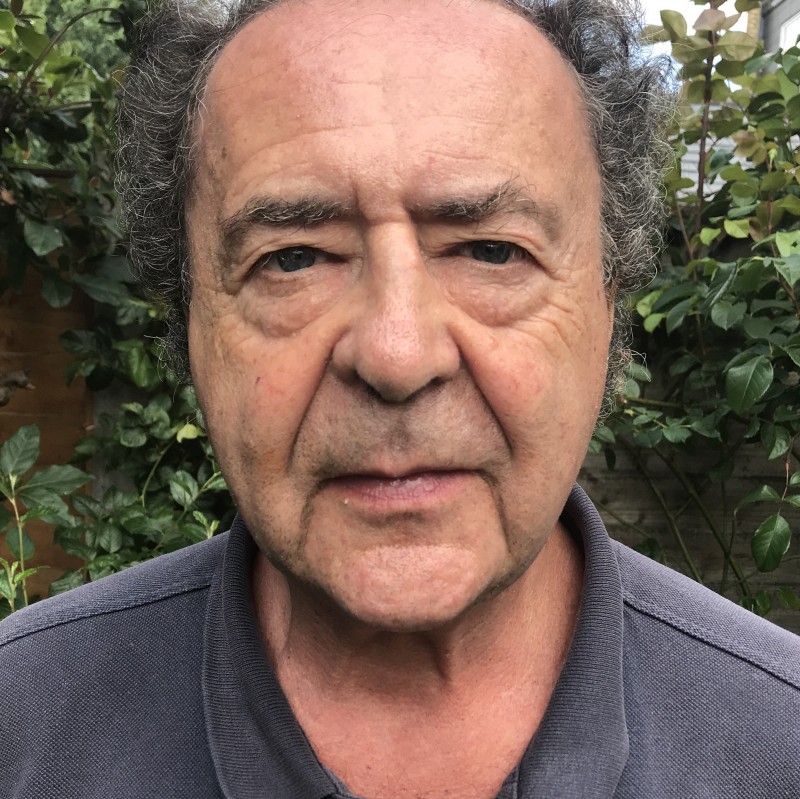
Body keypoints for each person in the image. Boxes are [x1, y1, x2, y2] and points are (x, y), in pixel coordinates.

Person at [1, 0, 799, 796]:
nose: (396, 354)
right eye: (293, 259)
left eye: (492, 251)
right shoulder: (22, 728)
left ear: (608, 303)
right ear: (188, 318)